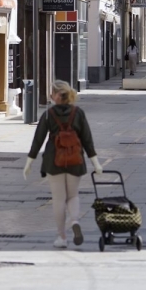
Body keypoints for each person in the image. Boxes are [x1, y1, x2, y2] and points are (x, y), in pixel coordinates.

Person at [24, 80, 102, 248]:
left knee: (59, 199)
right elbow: (87, 140)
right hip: (75, 160)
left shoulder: (48, 114)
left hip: (54, 161)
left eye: (51, 93)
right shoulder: (78, 113)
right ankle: (74, 220)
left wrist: (29, 161)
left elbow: (38, 139)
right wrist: (96, 162)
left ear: (56, 95)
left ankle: (62, 237)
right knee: (73, 195)